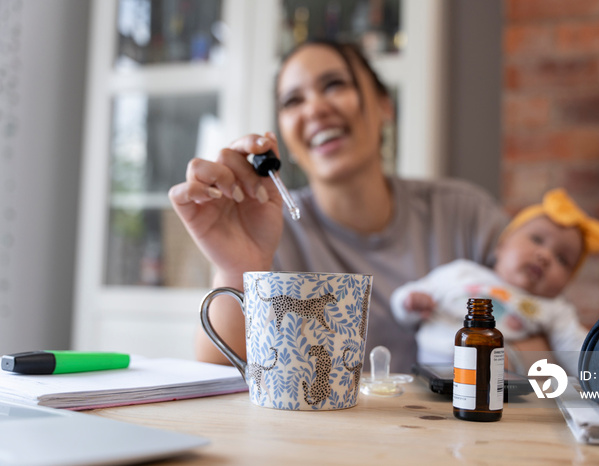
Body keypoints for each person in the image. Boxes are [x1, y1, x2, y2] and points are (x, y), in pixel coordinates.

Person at [168, 40, 508, 373]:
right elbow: (224, 387)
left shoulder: (466, 217)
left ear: (384, 105)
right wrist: (238, 269)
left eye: (334, 85)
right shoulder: (268, 231)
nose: (314, 109)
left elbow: (548, 331)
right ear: (285, 138)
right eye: (292, 100)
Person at [390, 188, 599, 375]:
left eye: (562, 259)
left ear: (568, 281)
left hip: (495, 385)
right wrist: (410, 302)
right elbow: (404, 302)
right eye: (536, 239)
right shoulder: (461, 272)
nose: (545, 256)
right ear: (502, 245)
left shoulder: (555, 310)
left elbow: (578, 351)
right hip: (432, 370)